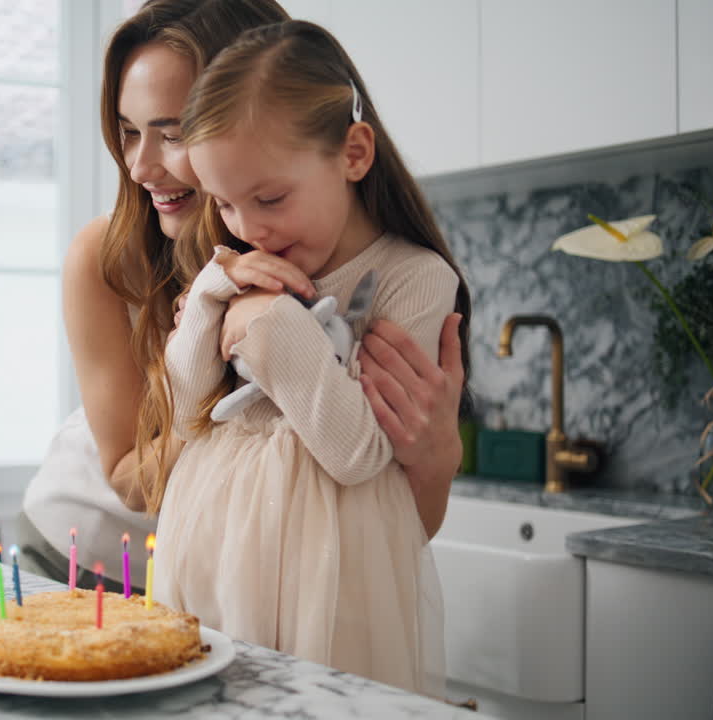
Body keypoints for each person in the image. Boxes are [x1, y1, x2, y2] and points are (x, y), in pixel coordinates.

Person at [17, 0, 466, 593]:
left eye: (172, 133)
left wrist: (437, 458)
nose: (140, 166)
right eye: (128, 133)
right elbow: (130, 480)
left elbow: (393, 525)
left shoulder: (344, 263)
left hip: (220, 581)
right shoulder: (109, 255)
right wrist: (221, 337)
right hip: (83, 557)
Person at [149, 20, 472, 698]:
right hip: (211, 553)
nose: (248, 228)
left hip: (329, 582)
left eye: (269, 198)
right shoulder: (236, 269)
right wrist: (211, 297)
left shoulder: (411, 280)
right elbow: (185, 414)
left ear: (354, 154)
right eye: (227, 204)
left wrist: (265, 323)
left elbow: (354, 450)